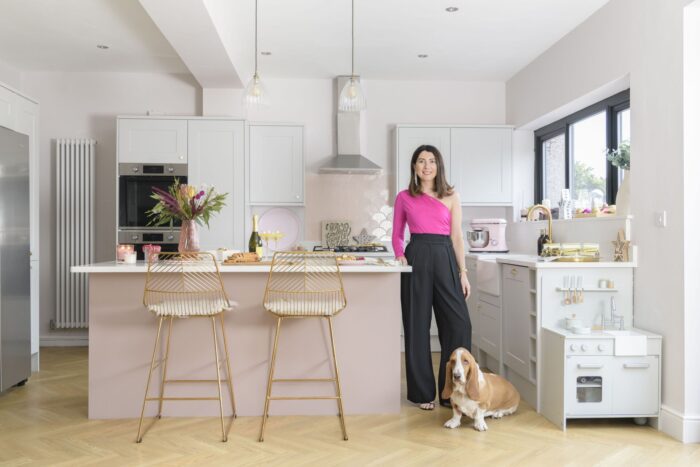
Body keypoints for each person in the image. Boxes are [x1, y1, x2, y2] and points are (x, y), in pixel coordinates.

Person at [392, 144, 472, 410]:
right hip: (417, 258)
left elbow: (457, 237)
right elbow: (397, 233)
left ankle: (451, 392)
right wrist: (400, 254)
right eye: (421, 161)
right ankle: (422, 393)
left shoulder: (451, 196)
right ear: (414, 167)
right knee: (417, 325)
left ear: (439, 166)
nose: (427, 166)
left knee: (459, 323)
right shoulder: (404, 197)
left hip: (445, 257)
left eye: (432, 161)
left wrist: (463, 273)